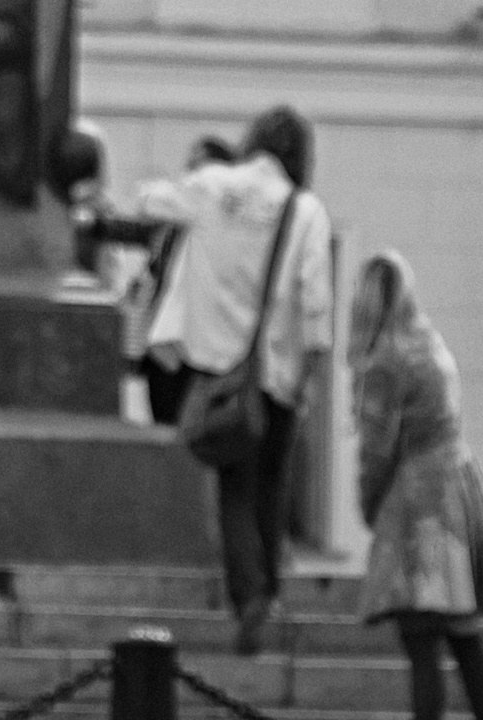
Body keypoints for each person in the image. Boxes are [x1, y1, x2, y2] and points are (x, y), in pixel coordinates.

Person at [100, 105, 332, 650]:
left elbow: (152, 202)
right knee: (273, 484)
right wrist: (312, 375)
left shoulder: (211, 187)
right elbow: (315, 300)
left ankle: (249, 594)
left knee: (235, 485)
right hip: (278, 376)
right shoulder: (305, 210)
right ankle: (268, 591)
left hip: (219, 373)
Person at [350, 251, 483, 720]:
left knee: (422, 638)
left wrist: (370, 505)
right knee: (466, 636)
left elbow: (376, 450)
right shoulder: (430, 342)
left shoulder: (385, 360)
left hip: (418, 500)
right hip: (458, 487)